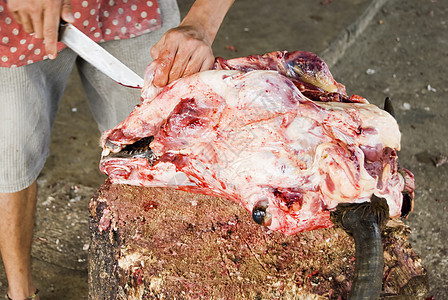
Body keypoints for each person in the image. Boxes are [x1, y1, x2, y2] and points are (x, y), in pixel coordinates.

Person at [0, 0, 234, 298]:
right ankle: (20, 291)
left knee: (160, 153)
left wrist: (201, 22)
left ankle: (152, 281)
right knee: (11, 160)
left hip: (131, 8)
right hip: (16, 23)